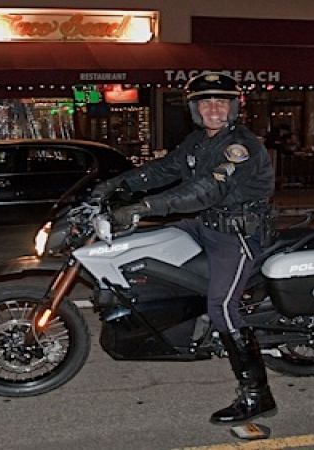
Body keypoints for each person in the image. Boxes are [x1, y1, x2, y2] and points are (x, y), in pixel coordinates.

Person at [91, 72, 277, 425]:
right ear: (195, 109)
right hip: (204, 224)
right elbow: (163, 170)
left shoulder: (241, 147)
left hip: (236, 234)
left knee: (222, 306)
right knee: (148, 250)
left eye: (221, 102)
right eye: (205, 102)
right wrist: (115, 185)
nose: (213, 109)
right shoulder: (196, 142)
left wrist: (144, 207)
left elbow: (205, 190)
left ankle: (257, 395)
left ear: (233, 107)